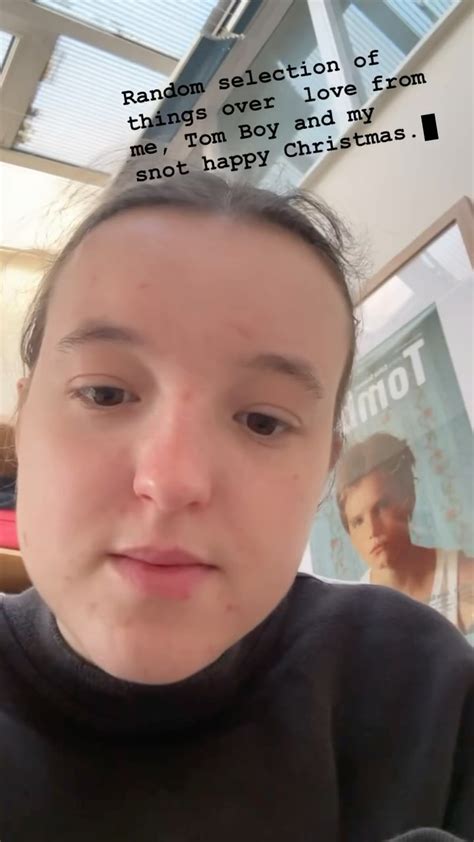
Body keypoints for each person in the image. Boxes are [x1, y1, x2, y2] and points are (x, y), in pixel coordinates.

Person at [0, 171, 472, 842]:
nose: (171, 480)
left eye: (262, 421)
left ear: (324, 469)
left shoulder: (418, 686)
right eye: (105, 393)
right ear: (23, 418)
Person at [335, 433, 473, 636]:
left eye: (381, 507)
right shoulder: (355, 614)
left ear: (406, 499)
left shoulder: (463, 576)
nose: (372, 531)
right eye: (358, 521)